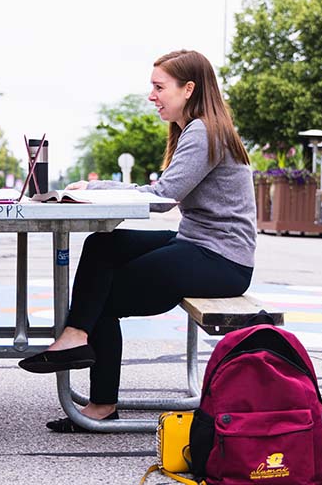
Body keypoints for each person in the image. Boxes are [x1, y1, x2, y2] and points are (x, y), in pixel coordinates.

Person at [17, 49, 257, 433]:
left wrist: (92, 187)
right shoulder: (197, 128)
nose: (152, 96)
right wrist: (94, 189)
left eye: (159, 87)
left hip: (221, 260)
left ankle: (101, 402)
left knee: (102, 295)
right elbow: (162, 194)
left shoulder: (203, 130)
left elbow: (162, 198)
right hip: (198, 243)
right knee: (102, 245)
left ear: (189, 88)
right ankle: (76, 337)